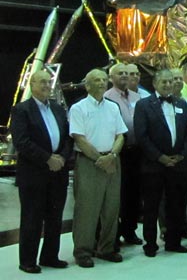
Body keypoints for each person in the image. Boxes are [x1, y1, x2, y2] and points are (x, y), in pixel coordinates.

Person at [10, 70, 72, 274]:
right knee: (32, 218)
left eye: (49, 82)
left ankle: (50, 256)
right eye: (42, 82)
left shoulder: (58, 109)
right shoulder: (21, 110)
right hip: (34, 174)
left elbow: (67, 138)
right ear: (32, 84)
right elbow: (22, 142)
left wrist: (61, 157)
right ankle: (27, 260)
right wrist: (48, 158)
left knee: (55, 217)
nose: (47, 85)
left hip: (58, 172)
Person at [69, 69, 127, 267]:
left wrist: (111, 156)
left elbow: (121, 135)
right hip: (89, 162)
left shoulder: (112, 107)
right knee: (87, 209)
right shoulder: (78, 108)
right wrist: (100, 159)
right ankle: (83, 251)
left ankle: (106, 248)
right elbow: (79, 138)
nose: (102, 83)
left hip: (112, 160)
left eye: (104, 79)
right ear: (87, 85)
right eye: (97, 80)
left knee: (111, 208)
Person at [134, 69, 187, 257]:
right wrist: (160, 157)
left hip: (177, 164)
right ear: (155, 83)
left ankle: (173, 242)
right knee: (151, 206)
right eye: (164, 82)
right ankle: (150, 244)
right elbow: (141, 136)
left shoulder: (181, 103)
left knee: (176, 204)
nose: (168, 85)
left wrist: (181, 156)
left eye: (170, 82)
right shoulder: (143, 105)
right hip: (154, 164)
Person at [104, 63, 143, 246]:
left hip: (137, 152)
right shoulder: (107, 97)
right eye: (120, 73)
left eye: (127, 74)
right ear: (111, 78)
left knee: (134, 194)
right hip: (118, 151)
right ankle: (115, 233)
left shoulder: (138, 97)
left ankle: (130, 230)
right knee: (117, 195)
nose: (125, 76)